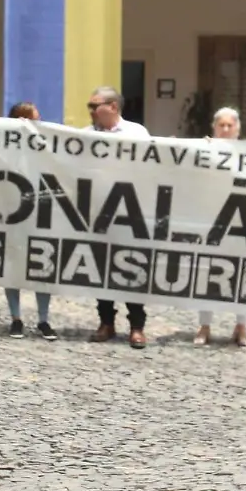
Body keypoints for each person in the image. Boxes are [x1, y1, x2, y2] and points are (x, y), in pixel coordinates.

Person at [85, 86, 152, 349]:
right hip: (98, 211)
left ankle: (137, 326)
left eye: (95, 106)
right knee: (101, 270)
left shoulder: (137, 133)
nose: (90, 111)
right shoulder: (85, 135)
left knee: (131, 268)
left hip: (130, 211)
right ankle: (106, 322)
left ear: (113, 107)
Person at [194, 107, 246, 348]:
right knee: (207, 273)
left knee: (244, 275)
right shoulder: (203, 150)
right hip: (211, 219)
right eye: (221, 125)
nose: (225, 130)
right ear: (214, 127)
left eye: (230, 126)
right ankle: (205, 325)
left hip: (243, 221)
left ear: (238, 128)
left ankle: (241, 327)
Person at [2, 102, 57, 340]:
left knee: (43, 264)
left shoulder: (45, 143)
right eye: (35, 119)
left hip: (40, 211)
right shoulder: (5, 146)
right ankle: (16, 318)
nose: (40, 122)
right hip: (12, 209)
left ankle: (43, 319)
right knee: (12, 264)